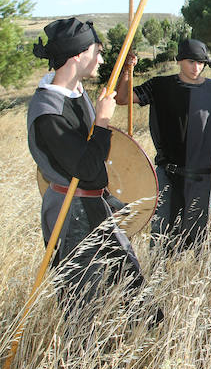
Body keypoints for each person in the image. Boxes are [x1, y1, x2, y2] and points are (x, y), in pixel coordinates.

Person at [28, 18, 146, 321]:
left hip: (95, 205)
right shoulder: (48, 113)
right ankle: (82, 365)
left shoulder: (75, 92)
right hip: (70, 215)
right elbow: (88, 166)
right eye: (98, 51)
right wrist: (103, 122)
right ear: (78, 54)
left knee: (134, 290)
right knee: (82, 305)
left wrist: (122, 74)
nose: (102, 59)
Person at [117, 39, 211, 252]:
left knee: (197, 236)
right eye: (190, 62)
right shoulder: (159, 86)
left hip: (202, 176)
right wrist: (127, 70)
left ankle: (188, 280)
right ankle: (160, 278)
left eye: (200, 62)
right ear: (179, 61)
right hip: (168, 173)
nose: (196, 67)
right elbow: (122, 98)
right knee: (162, 236)